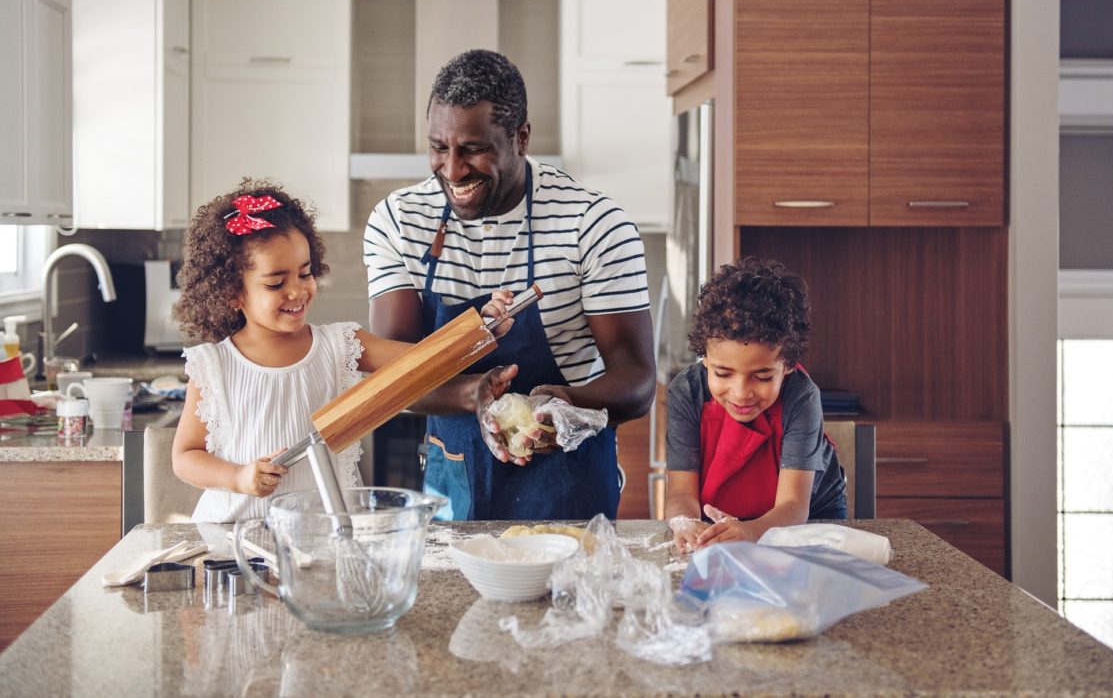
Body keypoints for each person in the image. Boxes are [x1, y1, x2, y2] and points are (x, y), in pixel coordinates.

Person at [363, 48, 656, 521]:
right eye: (439, 147)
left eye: (474, 148)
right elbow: (392, 377)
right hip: (451, 484)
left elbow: (637, 379)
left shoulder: (593, 223)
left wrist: (566, 403)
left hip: (570, 481)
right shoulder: (399, 220)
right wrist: (473, 394)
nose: (453, 170)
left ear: (521, 138)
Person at [170, 178, 511, 522]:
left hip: (325, 536)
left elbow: (421, 359)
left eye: (305, 274)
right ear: (232, 293)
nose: (298, 291)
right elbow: (185, 457)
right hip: (233, 540)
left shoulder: (340, 345)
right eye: (276, 283)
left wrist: (482, 325)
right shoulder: (214, 365)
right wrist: (238, 477)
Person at [664, 257, 847, 554]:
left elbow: (793, 507)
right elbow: (681, 493)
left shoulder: (802, 397)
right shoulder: (686, 392)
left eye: (762, 377)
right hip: (722, 517)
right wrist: (686, 523)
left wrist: (750, 531)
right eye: (722, 374)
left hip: (808, 519)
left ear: (787, 365)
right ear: (705, 359)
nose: (740, 393)